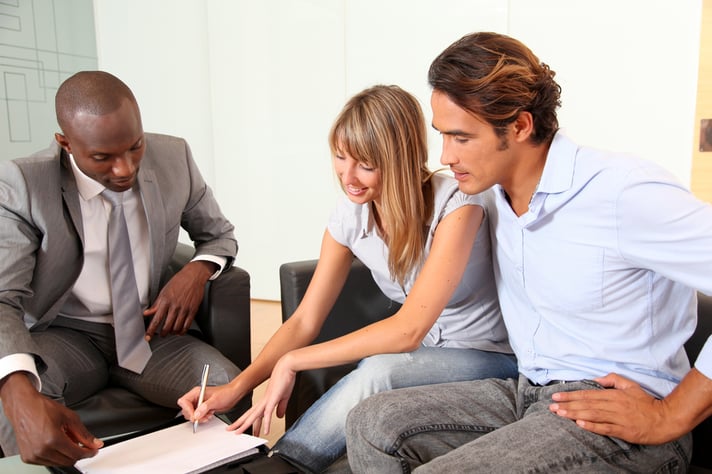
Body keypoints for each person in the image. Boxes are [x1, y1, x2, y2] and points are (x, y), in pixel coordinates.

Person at [345, 31, 712, 473]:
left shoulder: (622, 192)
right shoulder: (485, 197)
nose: (447, 156)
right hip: (529, 391)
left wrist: (672, 413)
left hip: (618, 419)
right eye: (442, 136)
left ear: (519, 126)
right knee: (372, 422)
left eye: (462, 138)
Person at [178, 84, 516, 472]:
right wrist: (239, 386)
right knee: (377, 375)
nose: (348, 176)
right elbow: (305, 320)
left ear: (400, 161)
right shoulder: (350, 216)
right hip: (421, 358)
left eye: (366, 164)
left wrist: (294, 362)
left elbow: (408, 331)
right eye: (340, 157)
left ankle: (285, 464)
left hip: (487, 357)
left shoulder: (458, 205)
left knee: (377, 371)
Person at [0, 71, 242, 466]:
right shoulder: (22, 185)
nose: (125, 168)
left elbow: (219, 235)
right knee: (16, 411)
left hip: (152, 334)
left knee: (231, 388)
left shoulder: (173, 157)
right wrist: (16, 388)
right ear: (66, 144)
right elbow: (3, 298)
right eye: (103, 158)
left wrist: (195, 272)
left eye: (135, 147)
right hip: (64, 336)